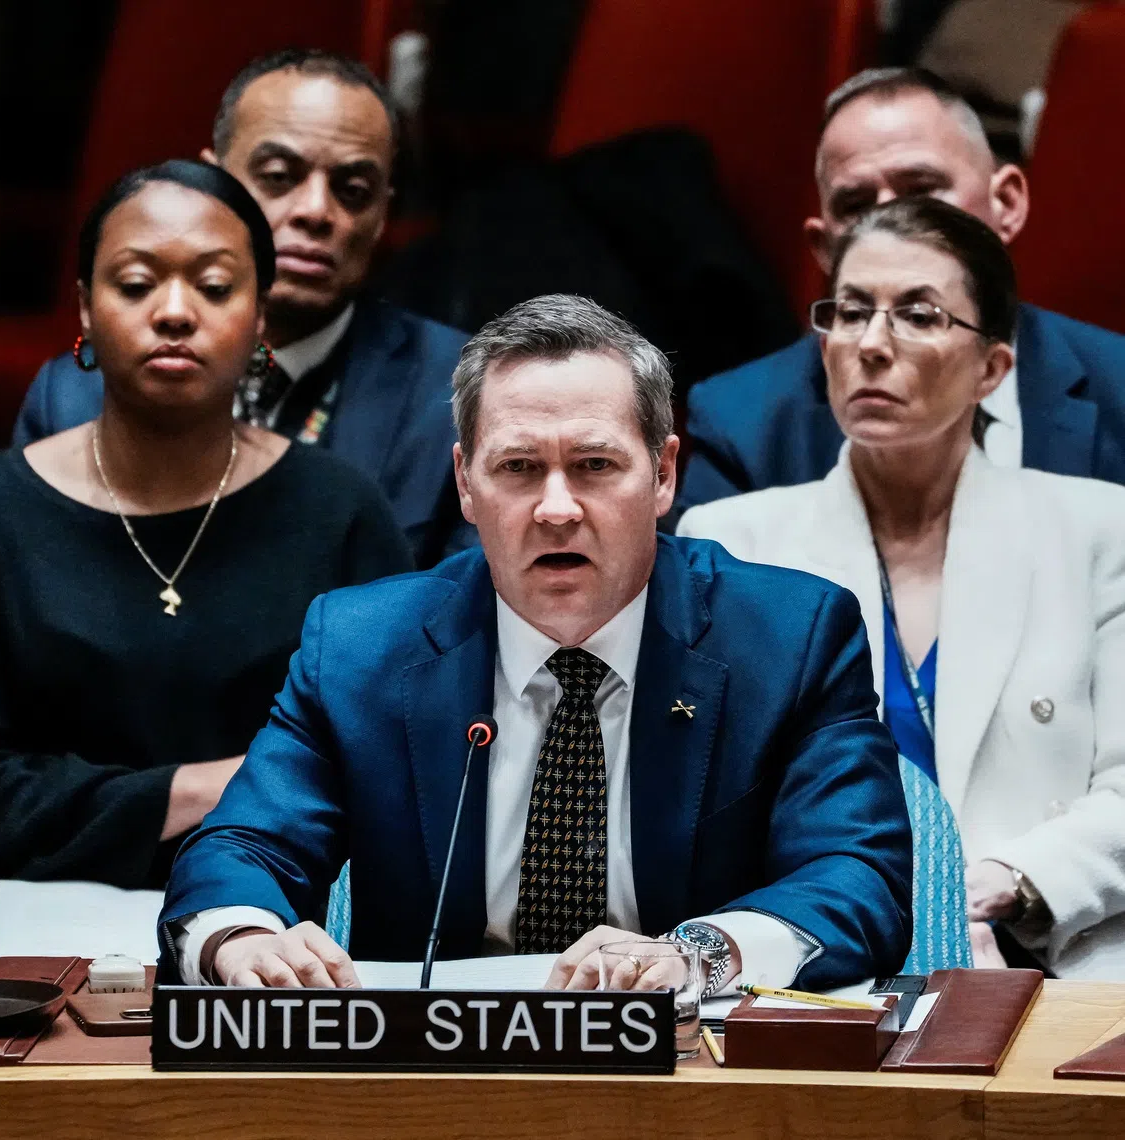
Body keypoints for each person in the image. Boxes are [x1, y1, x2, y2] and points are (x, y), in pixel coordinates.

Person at [159, 293, 912, 993]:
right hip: (440, 1083)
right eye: (519, 468)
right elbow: (244, 846)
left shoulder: (789, 639)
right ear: (464, 482)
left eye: (594, 466)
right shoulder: (361, 648)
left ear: (663, 474)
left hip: (690, 1081)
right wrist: (241, 938)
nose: (556, 509)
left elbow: (856, 875)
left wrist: (698, 954)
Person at [679, 197, 1125, 980]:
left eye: (919, 315)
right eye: (849, 313)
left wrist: (998, 887)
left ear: (992, 367)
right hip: (822, 967)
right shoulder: (730, 542)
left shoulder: (1097, 531)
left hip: (1051, 952)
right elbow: (709, 813)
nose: (872, 345)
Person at [0, 161, 413, 927]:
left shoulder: (340, 510)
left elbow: (398, 766)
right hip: (19, 946)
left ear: (259, 321)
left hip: (284, 943)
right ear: (84, 306)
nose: (175, 312)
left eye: (215, 287)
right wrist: (210, 788)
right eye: (136, 282)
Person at [14, 49, 471, 568]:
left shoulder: (458, 392)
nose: (317, 211)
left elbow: (468, 626)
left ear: (384, 210)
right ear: (211, 183)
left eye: (354, 191)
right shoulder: (71, 399)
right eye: (278, 176)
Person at [678, 67, 1125, 513]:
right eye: (856, 205)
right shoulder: (742, 421)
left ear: (1005, 203)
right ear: (823, 248)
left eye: (922, 191)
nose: (892, 226)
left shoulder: (1118, 386)